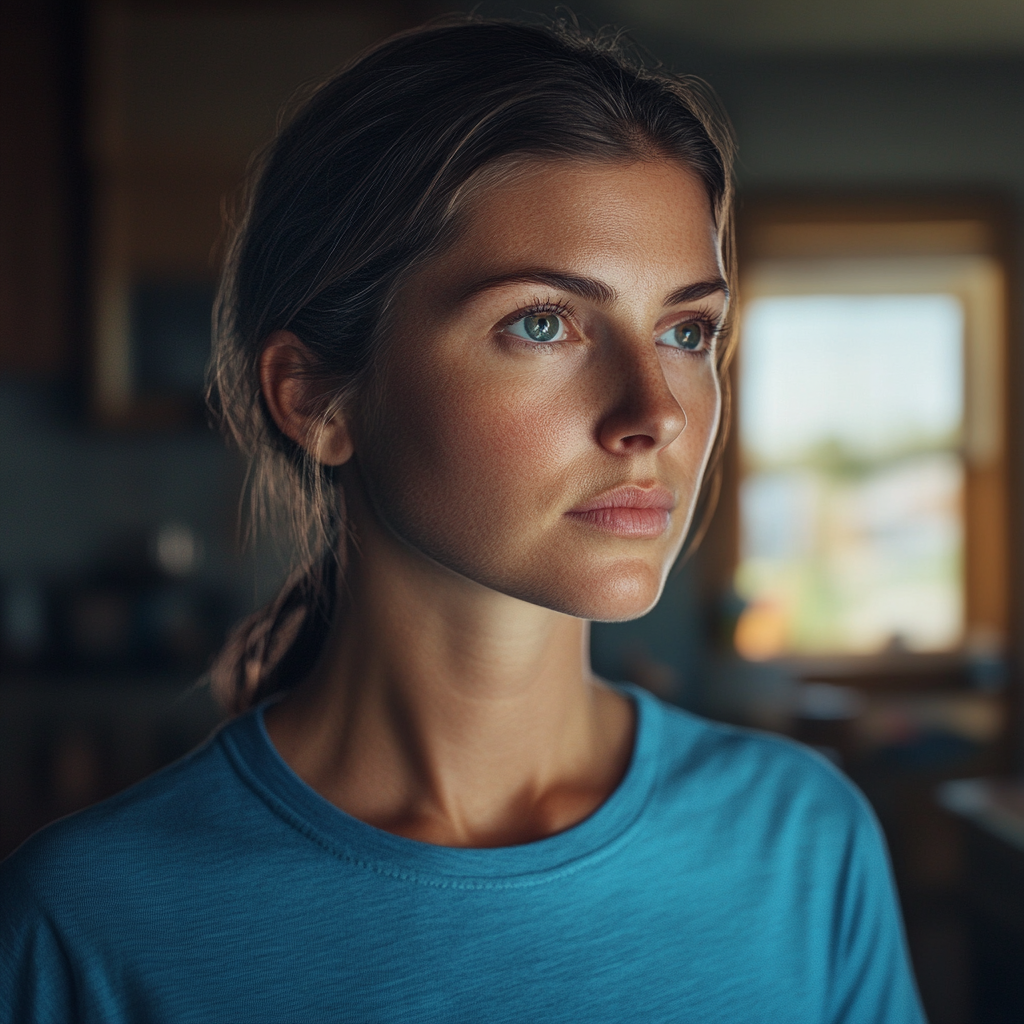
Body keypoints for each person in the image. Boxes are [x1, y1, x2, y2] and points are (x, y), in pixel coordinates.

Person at [0, 16, 925, 1023]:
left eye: (686, 330)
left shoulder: (801, 841)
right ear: (314, 395)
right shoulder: (91, 924)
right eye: (542, 322)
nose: (655, 411)